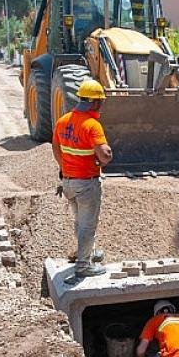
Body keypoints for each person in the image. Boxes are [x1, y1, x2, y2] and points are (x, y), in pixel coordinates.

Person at [52, 80, 113, 280]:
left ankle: (87, 252)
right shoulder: (92, 125)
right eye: (100, 102)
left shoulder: (63, 121)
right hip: (86, 183)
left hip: (68, 182)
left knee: (80, 221)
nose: (101, 105)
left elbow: (56, 148)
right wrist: (100, 161)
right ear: (95, 102)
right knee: (88, 225)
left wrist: (65, 167)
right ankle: (83, 266)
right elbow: (105, 155)